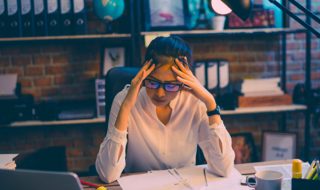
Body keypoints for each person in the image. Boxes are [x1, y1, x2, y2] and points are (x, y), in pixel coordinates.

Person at [95, 36, 235, 183]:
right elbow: (107, 175)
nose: (160, 93)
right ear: (145, 74)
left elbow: (223, 168)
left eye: (171, 85)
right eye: (153, 82)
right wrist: (126, 106)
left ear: (183, 81)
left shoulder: (195, 102)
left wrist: (211, 103)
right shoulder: (124, 100)